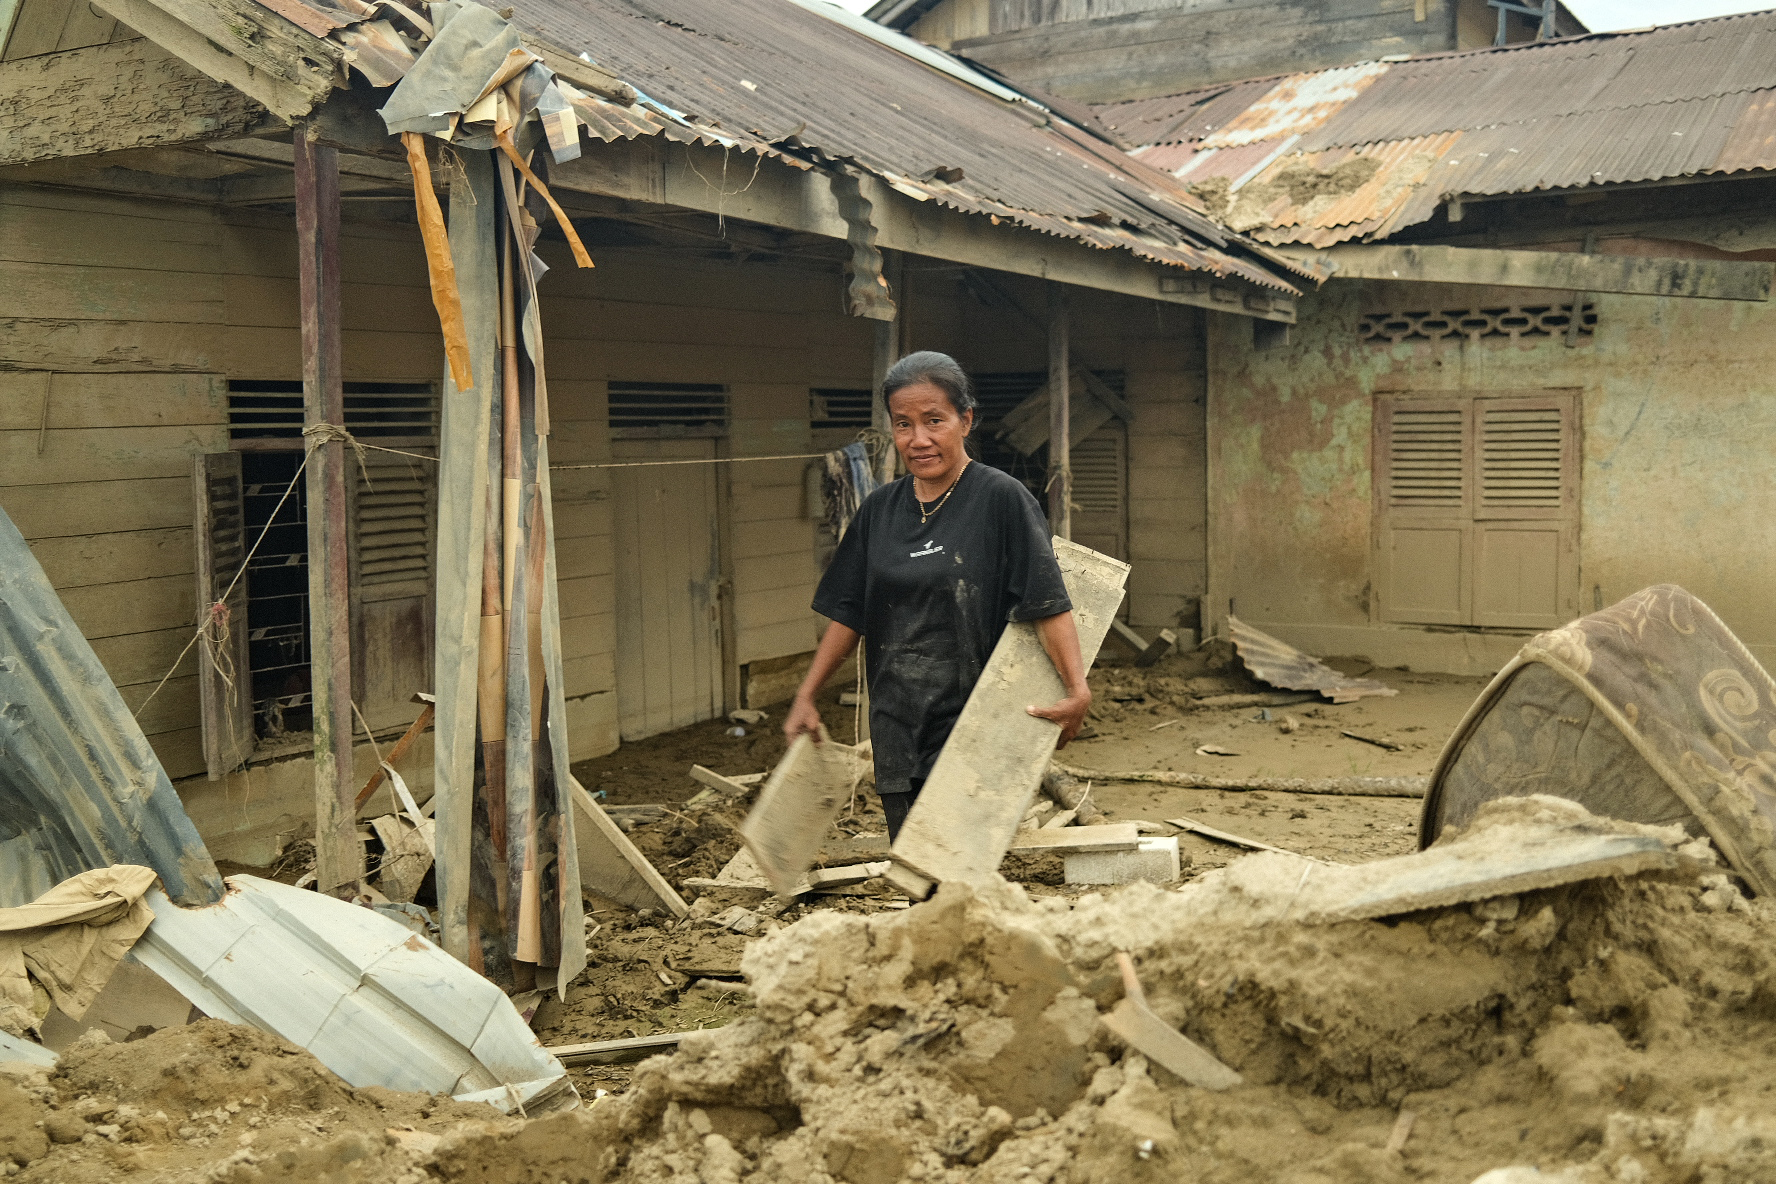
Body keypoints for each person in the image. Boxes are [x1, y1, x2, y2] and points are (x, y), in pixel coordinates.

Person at [782, 351, 1092, 841]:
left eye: (934, 420)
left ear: (965, 420)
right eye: (903, 424)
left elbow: (1046, 602)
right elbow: (849, 611)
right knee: (914, 873)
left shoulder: (1001, 499)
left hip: (974, 724)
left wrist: (1077, 689)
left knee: (960, 875)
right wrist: (806, 695)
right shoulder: (880, 510)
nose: (918, 439)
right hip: (897, 724)